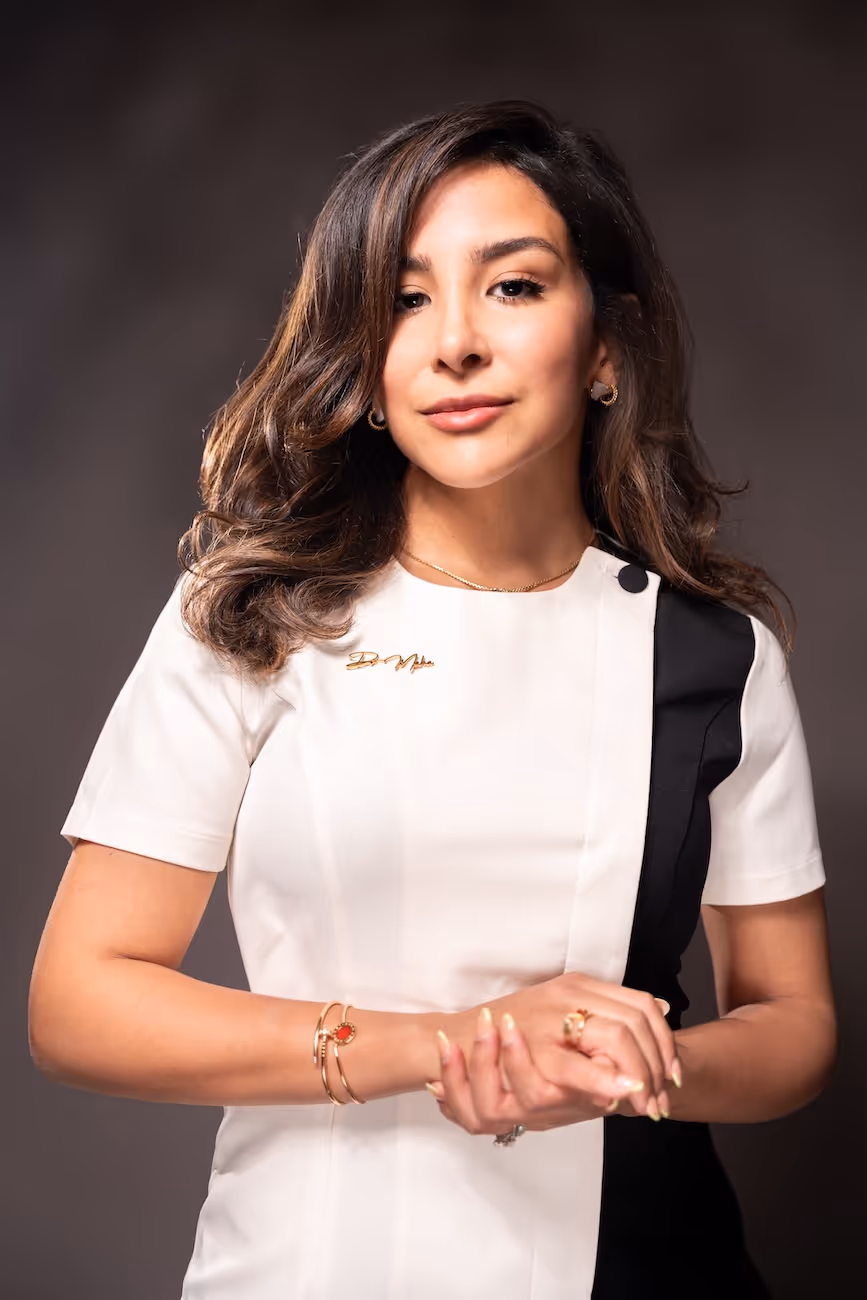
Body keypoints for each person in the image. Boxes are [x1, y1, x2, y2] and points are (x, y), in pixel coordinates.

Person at [29, 101, 836, 1300]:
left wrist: (642, 1068)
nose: (454, 343)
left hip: (647, 1261)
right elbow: (80, 1000)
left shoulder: (715, 653)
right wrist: (442, 1047)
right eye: (404, 301)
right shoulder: (253, 614)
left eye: (512, 287)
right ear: (364, 359)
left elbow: (792, 1023)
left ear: (607, 344)